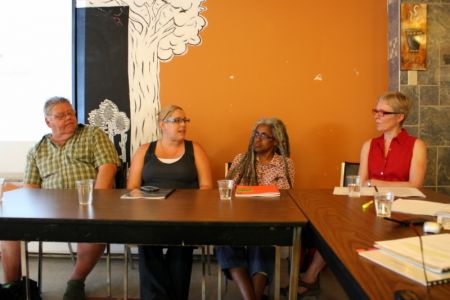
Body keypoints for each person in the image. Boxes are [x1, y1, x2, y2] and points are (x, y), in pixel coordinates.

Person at [286, 91, 427, 298]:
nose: (376, 116)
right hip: (368, 206)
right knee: (332, 224)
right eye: (375, 111)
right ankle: (312, 275)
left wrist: (377, 183)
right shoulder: (369, 145)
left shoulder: (416, 146)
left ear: (400, 116)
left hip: (401, 210)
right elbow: (361, 184)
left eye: (383, 112)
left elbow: (415, 186)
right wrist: (370, 188)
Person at [0, 96, 120, 300]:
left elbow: (108, 169)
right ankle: (15, 288)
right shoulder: (37, 149)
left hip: (87, 205)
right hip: (48, 211)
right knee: (9, 232)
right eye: (61, 115)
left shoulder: (93, 135)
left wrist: (97, 205)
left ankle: (75, 282)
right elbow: (30, 190)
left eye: (70, 113)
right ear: (48, 121)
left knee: (96, 228)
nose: (68, 118)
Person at [127, 104, 212, 300]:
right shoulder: (144, 150)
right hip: (151, 215)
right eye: (177, 121)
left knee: (180, 247)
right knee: (147, 243)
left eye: (185, 120)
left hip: (185, 216)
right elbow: (132, 186)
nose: (183, 125)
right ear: (163, 125)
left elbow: (207, 187)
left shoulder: (195, 149)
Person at [216, 118, 295, 300]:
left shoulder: (285, 163)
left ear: (275, 141)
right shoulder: (241, 159)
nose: (256, 139)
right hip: (238, 220)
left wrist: (246, 191)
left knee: (262, 241)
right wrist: (264, 191)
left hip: (267, 221)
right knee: (223, 241)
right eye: (255, 134)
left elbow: (284, 195)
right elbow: (229, 188)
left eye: (264, 136)